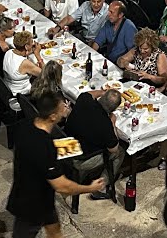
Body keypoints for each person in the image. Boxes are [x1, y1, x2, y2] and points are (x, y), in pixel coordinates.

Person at [7, 91, 105, 238]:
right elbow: (62, 186)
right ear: (53, 116)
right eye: (63, 107)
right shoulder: (45, 147)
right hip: (32, 204)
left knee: (55, 230)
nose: (66, 108)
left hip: (40, 197)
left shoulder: (26, 125)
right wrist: (90, 188)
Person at [3, 31, 45, 100]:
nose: (33, 43)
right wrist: (37, 54)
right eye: (32, 42)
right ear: (26, 46)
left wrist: (30, 50)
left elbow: (20, 53)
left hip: (8, 87)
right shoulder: (25, 63)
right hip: (21, 95)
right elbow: (45, 74)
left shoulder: (9, 52)